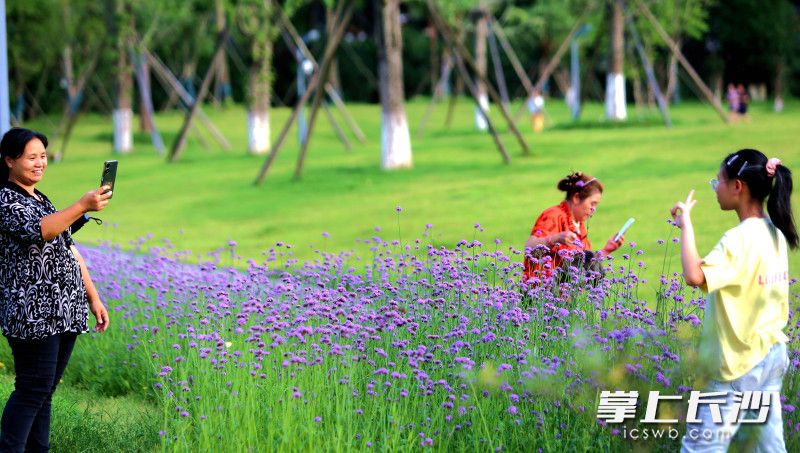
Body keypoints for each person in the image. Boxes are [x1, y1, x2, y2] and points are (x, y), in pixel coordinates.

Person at [670, 149, 794, 452]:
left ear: (737, 187)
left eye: (719, 182)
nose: (716, 189)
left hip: (738, 364)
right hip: (770, 357)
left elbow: (694, 276)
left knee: (701, 448)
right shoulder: (774, 233)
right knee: (767, 447)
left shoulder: (738, 239)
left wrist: (686, 226)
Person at [0, 128, 111, 452]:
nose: (40, 163)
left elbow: (69, 250)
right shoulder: (5, 200)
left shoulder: (40, 198)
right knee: (32, 389)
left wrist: (94, 297)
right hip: (32, 313)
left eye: (43, 156)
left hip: (63, 311)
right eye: (31, 157)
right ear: (9, 160)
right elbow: (41, 231)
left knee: (44, 390)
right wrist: (82, 204)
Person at [523, 172, 624, 284]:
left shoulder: (580, 226)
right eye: (592, 203)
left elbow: (582, 265)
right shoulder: (553, 215)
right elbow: (529, 247)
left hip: (566, 298)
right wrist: (555, 238)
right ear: (576, 198)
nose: (593, 209)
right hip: (540, 296)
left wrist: (606, 250)